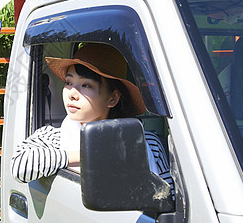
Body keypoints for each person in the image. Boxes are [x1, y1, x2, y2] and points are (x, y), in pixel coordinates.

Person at [11, 43, 172, 189]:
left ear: (113, 98)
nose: (72, 93)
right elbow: (19, 166)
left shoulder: (148, 144)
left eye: (86, 85)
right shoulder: (53, 138)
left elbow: (169, 196)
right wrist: (91, 154)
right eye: (68, 83)